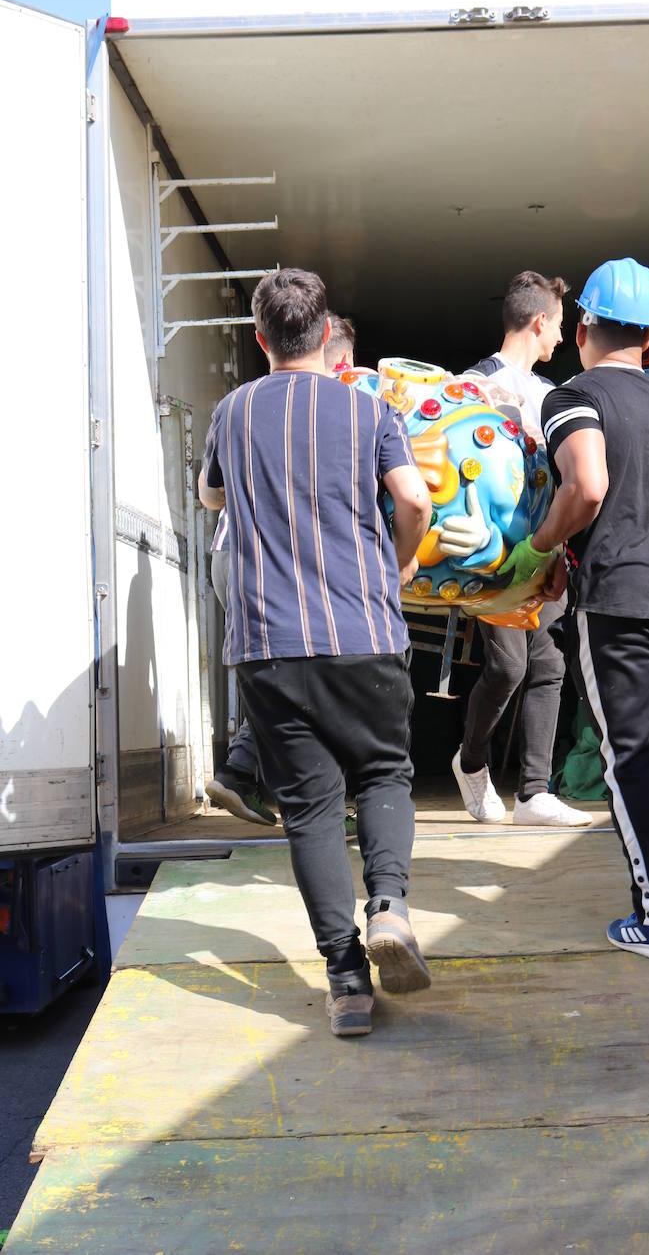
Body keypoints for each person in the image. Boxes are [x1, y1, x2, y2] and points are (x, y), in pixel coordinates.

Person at [199, 272, 432, 1036]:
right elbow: (416, 501)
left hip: (269, 643)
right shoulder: (370, 410)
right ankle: (390, 905)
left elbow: (210, 496)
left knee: (311, 809)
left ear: (261, 339)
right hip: (364, 630)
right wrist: (397, 566)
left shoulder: (231, 413)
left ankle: (346, 985)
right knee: (385, 770)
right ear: (328, 335)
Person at [508, 257, 649, 962]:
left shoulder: (572, 395)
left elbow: (589, 487)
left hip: (618, 599)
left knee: (626, 752)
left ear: (585, 328)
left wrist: (540, 549)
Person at [440, 270, 591, 829]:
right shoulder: (472, 386)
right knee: (507, 667)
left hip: (545, 550)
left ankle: (534, 793)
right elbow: (450, 466)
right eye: (559, 325)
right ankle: (471, 763)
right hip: (494, 554)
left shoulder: (556, 396)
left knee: (550, 663)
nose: (562, 338)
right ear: (539, 321)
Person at [205, 313, 357, 827]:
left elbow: (208, 494)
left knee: (279, 675)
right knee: (313, 674)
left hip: (232, 558)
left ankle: (242, 772)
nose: (352, 369)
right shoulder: (337, 409)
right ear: (331, 354)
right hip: (281, 563)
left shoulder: (240, 407)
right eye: (349, 360)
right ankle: (314, 800)